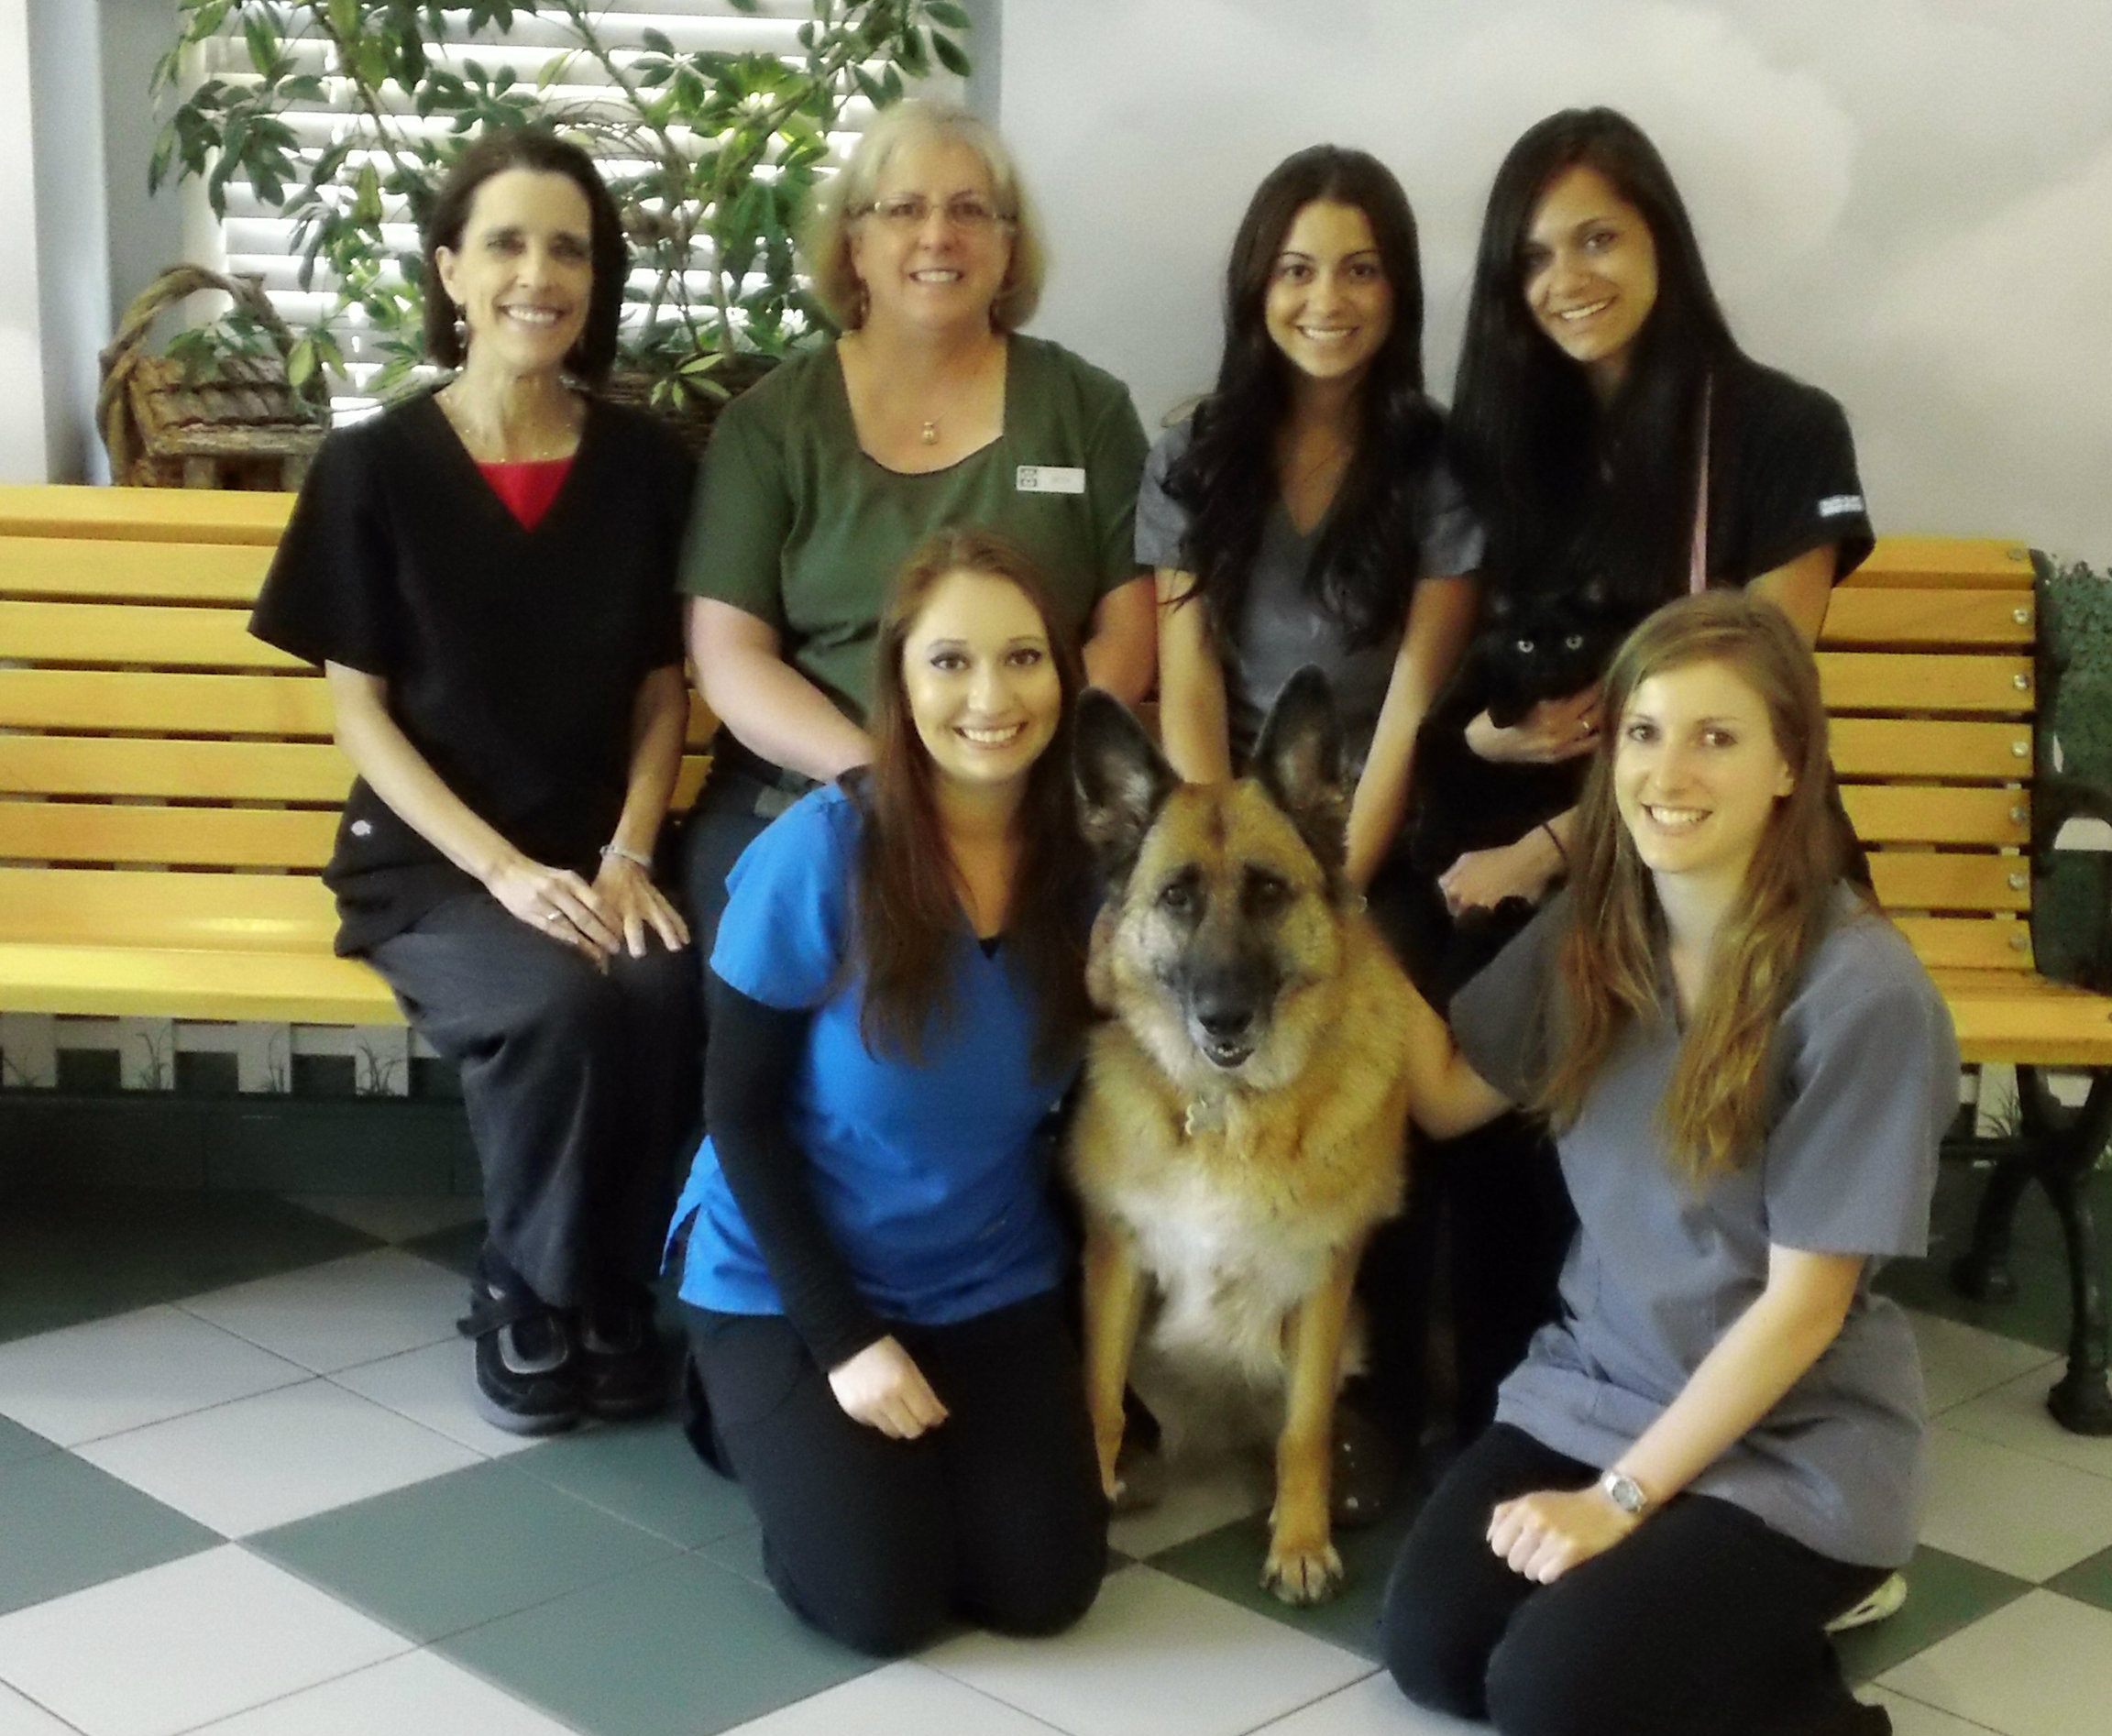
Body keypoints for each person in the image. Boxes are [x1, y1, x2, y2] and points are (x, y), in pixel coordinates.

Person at [1380, 593, 1956, 1736]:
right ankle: (1692, 1620)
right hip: (1600, 1381)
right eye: (1642, 732)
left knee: (1553, 1697)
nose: (1667, 770)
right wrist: (1331, 913)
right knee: (1436, 1653)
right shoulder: (1595, 931)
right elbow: (1445, 1101)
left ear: (1790, 763)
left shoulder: (1864, 994)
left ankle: (1809, 1686)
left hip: (1788, 1437)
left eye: (1717, 737)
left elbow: (1802, 1313)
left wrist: (1619, 1503)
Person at [1395, 105, 1881, 1443]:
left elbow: (1760, 706)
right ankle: (1500, 1411)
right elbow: (1439, 686)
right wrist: (1480, 750)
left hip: (1716, 850)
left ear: (1662, 235)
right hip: (1514, 844)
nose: (1570, 279)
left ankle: (1722, 1418)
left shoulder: (1779, 430)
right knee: (1473, 1088)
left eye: (1599, 236)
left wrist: (1545, 857)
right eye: (1536, 257)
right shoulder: (1492, 456)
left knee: (1643, 1059)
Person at [250, 129, 698, 1436]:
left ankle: (615, 1281)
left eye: (568, 246)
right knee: (556, 999)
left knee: (665, 981)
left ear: (596, 279)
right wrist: (502, 869)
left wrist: (625, 854)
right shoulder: (373, 468)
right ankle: (532, 1284)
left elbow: (666, 689)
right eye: (504, 241)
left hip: (594, 845)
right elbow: (360, 709)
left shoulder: (650, 468)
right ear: (452, 270)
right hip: (430, 862)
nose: (537, 272)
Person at [667, 528, 1108, 1657]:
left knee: (1042, 1589)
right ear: (902, 685)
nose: (990, 698)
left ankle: (885, 1453)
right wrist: (846, 1339)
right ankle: (738, 1401)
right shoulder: (821, 851)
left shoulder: (1094, 864)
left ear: (1065, 673)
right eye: (950, 662)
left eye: (1022, 658)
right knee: (885, 1603)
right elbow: (739, 1114)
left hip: (984, 1271)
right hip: (786, 1276)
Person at [680, 98, 1155, 961]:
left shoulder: (1086, 411)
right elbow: (728, 655)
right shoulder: (773, 426)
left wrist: (1019, 768)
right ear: (855, 245)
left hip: (1037, 798)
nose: (939, 235)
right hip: (811, 794)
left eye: (971, 210)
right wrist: (879, 783)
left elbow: (1129, 626)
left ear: (1009, 246)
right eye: (904, 209)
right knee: (760, 981)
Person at [1138, 144, 1480, 907]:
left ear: (1398, 292)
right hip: (1226, 835)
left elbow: (1409, 709)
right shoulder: (1188, 460)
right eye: (1297, 270)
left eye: (1360, 270)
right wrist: (1225, 873)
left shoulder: (1442, 467)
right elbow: (1190, 692)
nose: (1327, 300)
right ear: (1258, 287)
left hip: (1382, 839)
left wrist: (1332, 894)